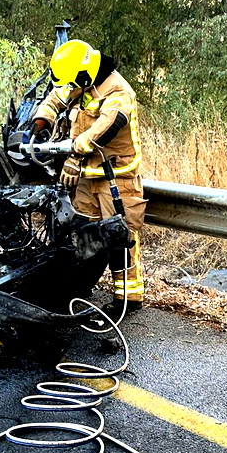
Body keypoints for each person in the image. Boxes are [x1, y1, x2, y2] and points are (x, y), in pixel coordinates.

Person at [31, 39, 146, 321]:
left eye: (73, 82)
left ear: (84, 76)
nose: (70, 88)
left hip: (116, 176)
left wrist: (73, 154)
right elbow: (57, 96)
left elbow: (102, 130)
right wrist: (41, 121)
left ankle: (128, 298)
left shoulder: (118, 92)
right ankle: (81, 286)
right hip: (86, 179)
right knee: (84, 233)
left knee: (119, 237)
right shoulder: (80, 80)